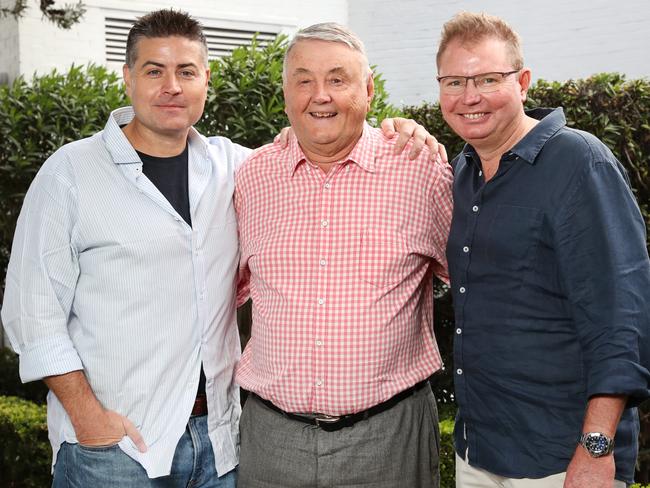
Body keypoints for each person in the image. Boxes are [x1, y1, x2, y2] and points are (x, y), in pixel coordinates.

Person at [0, 9, 443, 488]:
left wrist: (403, 131)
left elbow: (318, 143)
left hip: (219, 445)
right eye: (154, 70)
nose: (172, 86)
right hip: (116, 450)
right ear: (128, 78)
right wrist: (89, 419)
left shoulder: (236, 167)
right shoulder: (72, 173)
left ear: (206, 80)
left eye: (186, 71)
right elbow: (32, 316)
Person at [234, 22, 454, 488]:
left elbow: (483, 282)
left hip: (390, 436)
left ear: (369, 89)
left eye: (337, 79)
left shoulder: (420, 169)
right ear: (286, 92)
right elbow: (219, 291)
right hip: (272, 441)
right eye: (304, 80)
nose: (320, 96)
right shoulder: (250, 178)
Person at [438, 12, 650, 488]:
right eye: (454, 81)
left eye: (488, 78)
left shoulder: (579, 162)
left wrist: (596, 448)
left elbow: (622, 316)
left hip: (560, 458)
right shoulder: (462, 172)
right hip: (479, 452)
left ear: (523, 83)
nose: (469, 96)